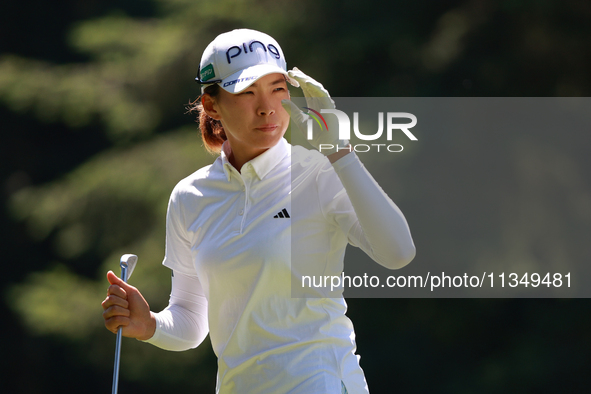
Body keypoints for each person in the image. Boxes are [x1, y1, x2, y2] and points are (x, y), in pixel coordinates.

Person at [101, 28, 416, 394]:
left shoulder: (319, 173)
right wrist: (150, 325)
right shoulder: (190, 197)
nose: (266, 106)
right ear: (211, 105)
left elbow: (399, 253)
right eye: (247, 92)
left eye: (277, 89)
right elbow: (191, 319)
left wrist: (340, 151)